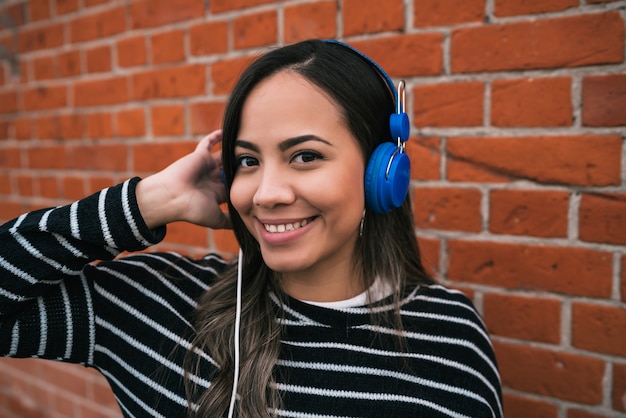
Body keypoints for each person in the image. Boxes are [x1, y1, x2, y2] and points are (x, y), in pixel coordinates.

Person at [0, 39, 502, 418]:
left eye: (305, 156)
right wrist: (147, 202)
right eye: (247, 161)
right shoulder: (156, 303)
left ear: (383, 173)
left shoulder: (448, 333)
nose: (265, 194)